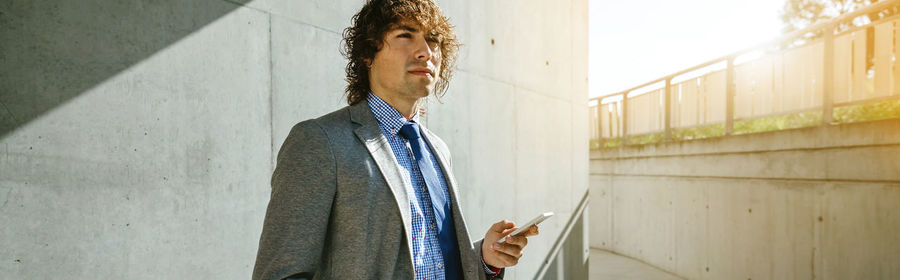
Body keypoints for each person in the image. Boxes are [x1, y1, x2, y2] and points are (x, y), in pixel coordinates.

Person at [251, 0, 538, 279]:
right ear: (368, 53)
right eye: (405, 35)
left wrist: (486, 258)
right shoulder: (319, 141)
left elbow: (432, 262)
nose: (425, 52)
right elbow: (281, 273)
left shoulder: (437, 149)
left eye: (433, 40)